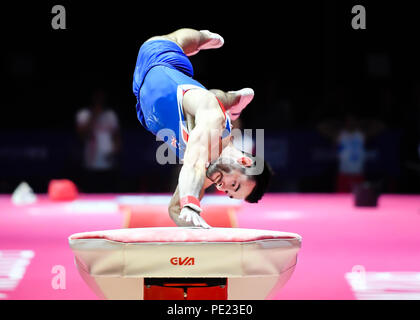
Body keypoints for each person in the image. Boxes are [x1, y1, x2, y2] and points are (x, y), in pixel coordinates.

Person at [132, 28, 272, 228]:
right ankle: (203, 39)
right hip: (159, 61)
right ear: (245, 161)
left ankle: (232, 103)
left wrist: (198, 232)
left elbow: (174, 209)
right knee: (211, 100)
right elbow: (194, 164)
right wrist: (190, 202)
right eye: (234, 184)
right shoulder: (212, 123)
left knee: (213, 104)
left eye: (228, 193)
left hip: (145, 110)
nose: (223, 187)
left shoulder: (208, 177)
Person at [75, 89, 121, 193]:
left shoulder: (111, 115)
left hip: (109, 163)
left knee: (108, 195)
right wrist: (95, 114)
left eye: (101, 98)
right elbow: (81, 135)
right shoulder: (84, 114)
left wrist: (115, 151)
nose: (99, 100)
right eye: (96, 98)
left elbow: (117, 137)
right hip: (90, 164)